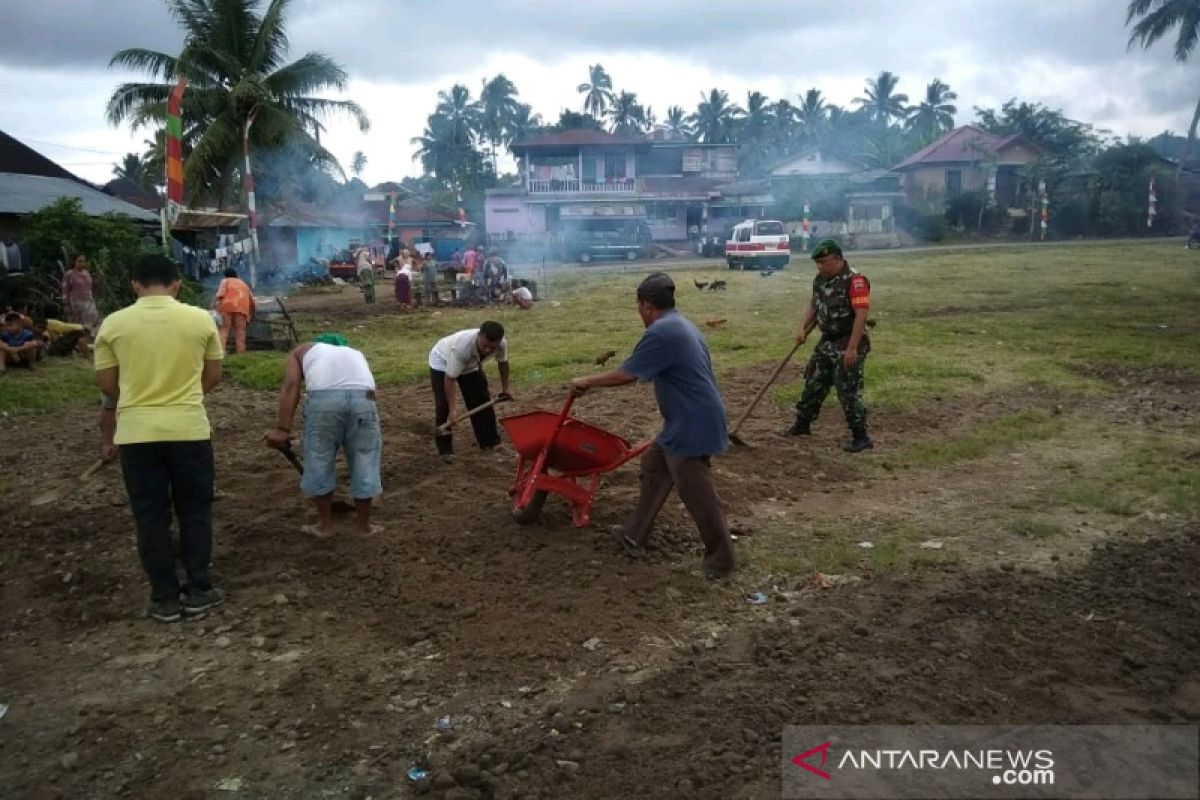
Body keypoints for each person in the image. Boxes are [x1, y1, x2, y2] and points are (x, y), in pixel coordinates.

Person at [570, 273, 735, 579]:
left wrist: (586, 381)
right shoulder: (681, 323)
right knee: (654, 464)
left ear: (646, 306)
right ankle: (634, 534)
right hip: (687, 418)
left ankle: (721, 560)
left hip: (692, 423)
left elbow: (627, 375)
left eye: (638, 307)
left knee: (696, 491)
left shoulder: (662, 332)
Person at [93, 253, 225, 623]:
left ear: (134, 284)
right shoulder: (201, 320)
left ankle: (165, 597)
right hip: (189, 430)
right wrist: (180, 398)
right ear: (177, 284)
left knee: (150, 516)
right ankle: (199, 589)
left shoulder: (113, 324)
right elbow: (213, 376)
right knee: (195, 510)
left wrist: (140, 399)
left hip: (136, 435)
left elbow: (107, 385)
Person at [264, 334, 383, 539]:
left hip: (323, 402)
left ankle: (325, 527)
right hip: (364, 401)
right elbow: (372, 391)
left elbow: (292, 386)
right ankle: (364, 527)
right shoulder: (355, 353)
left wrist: (282, 430)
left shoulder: (300, 351)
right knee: (365, 459)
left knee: (319, 458)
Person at [783, 238, 873, 453]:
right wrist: (801, 328)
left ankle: (861, 437)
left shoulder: (855, 281)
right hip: (828, 341)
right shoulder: (820, 280)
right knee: (814, 381)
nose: (820, 267)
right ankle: (802, 424)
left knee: (847, 390)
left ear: (838, 259)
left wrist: (852, 348)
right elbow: (814, 306)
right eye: (818, 263)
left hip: (849, 341)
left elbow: (861, 315)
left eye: (824, 262)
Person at [428, 322, 512, 462]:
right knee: (444, 407)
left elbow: (503, 363)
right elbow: (450, 379)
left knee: (481, 399)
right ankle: (445, 450)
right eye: (484, 346)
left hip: (471, 364)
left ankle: (490, 442)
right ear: (478, 336)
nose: (487, 351)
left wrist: (506, 388)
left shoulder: (501, 344)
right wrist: (453, 411)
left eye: (492, 348)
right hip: (442, 361)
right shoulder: (461, 348)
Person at [212, 267, 255, 354]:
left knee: (224, 331)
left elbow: (220, 294)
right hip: (242, 309)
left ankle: (221, 353)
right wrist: (252, 312)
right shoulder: (243, 283)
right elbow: (252, 300)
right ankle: (241, 354)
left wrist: (213, 305)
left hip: (227, 307)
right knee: (240, 333)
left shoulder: (225, 281)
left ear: (225, 275)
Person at [62, 253, 101, 336]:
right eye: (79, 261)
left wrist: (98, 279)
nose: (82, 264)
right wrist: (66, 305)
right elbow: (65, 290)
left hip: (89, 302)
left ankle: (91, 338)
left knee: (94, 321)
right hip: (76, 305)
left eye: (83, 262)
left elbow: (90, 287)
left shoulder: (87, 273)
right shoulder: (69, 274)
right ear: (74, 262)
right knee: (78, 327)